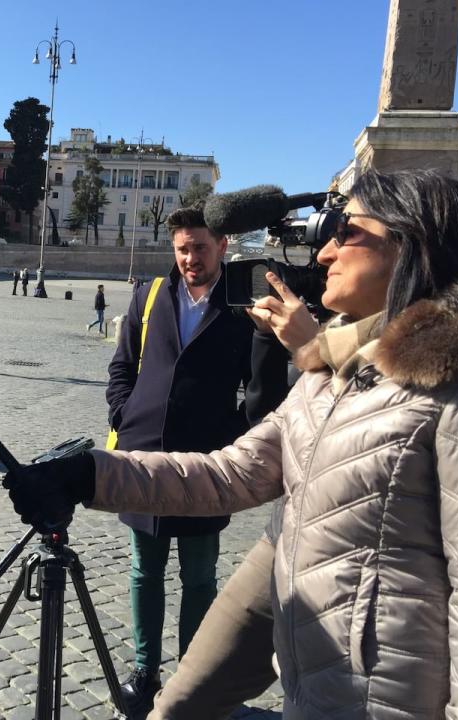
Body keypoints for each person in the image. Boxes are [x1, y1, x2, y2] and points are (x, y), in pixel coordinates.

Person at [7, 170, 458, 719]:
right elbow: (231, 474)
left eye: (345, 231)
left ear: (410, 244)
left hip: (377, 690)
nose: (325, 254)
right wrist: (91, 475)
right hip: (296, 611)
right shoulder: (330, 369)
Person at [104, 206, 289, 716]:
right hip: (143, 457)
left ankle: (191, 671)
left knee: (200, 575)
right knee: (144, 570)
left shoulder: (240, 306)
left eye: (200, 248)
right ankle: (145, 669)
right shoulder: (148, 297)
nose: (190, 258)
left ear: (223, 246)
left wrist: (234, 438)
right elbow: (122, 365)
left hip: (205, 465)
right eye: (182, 248)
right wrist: (124, 410)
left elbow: (259, 391)